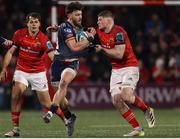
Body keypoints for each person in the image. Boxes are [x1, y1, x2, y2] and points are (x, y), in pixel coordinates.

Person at [0, 12, 71, 137]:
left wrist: (62, 63)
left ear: (39, 24)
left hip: (38, 73)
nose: (34, 24)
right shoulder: (19, 34)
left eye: (36, 22)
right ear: (27, 23)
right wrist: (4, 68)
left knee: (46, 104)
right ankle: (15, 129)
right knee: (16, 93)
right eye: (31, 22)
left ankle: (67, 119)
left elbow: (52, 57)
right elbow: (11, 52)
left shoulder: (44, 39)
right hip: (21, 70)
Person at [95, 10, 155, 137]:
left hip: (129, 67)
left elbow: (119, 54)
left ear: (108, 20)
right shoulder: (98, 31)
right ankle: (138, 129)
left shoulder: (119, 32)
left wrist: (102, 49)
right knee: (116, 100)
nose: (97, 22)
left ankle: (146, 109)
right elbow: (83, 31)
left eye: (100, 20)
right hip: (115, 70)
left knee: (126, 96)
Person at [43, 2, 96, 136]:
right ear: (69, 15)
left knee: (63, 83)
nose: (80, 17)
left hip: (71, 64)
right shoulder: (66, 27)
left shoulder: (74, 27)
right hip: (57, 64)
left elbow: (75, 33)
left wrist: (57, 28)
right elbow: (74, 47)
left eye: (81, 14)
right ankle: (69, 116)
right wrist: (89, 38)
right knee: (62, 99)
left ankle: (50, 113)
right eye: (77, 14)